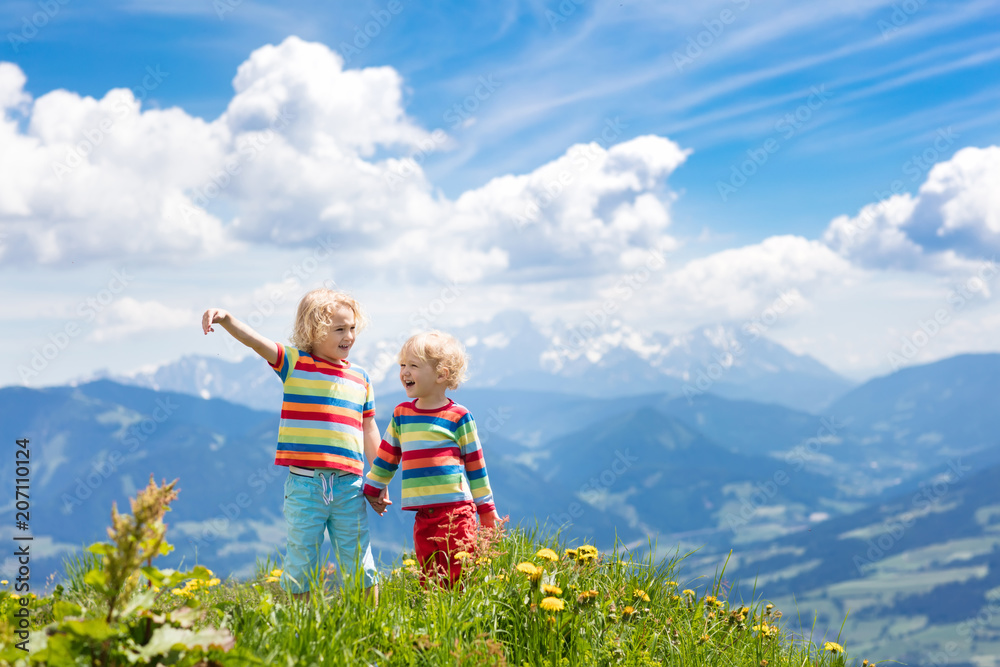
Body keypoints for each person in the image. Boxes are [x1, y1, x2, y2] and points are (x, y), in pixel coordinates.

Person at [201, 288, 380, 603]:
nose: (349, 336)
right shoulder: (295, 363)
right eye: (339, 329)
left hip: (349, 485)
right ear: (314, 331)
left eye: (352, 328)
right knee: (301, 560)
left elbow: (368, 427)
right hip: (305, 485)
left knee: (359, 559)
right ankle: (301, 627)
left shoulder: (361, 378)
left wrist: (379, 481)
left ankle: (370, 624)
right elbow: (256, 341)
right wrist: (227, 319)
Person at [363, 331, 501, 586]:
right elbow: (387, 456)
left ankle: (462, 619)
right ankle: (436, 620)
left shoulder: (458, 416)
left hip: (457, 512)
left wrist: (486, 509)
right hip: (423, 515)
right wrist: (373, 486)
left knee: (460, 574)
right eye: (402, 364)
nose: (404, 371)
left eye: (413, 365)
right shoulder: (401, 414)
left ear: (441, 375)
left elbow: (476, 466)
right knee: (430, 575)